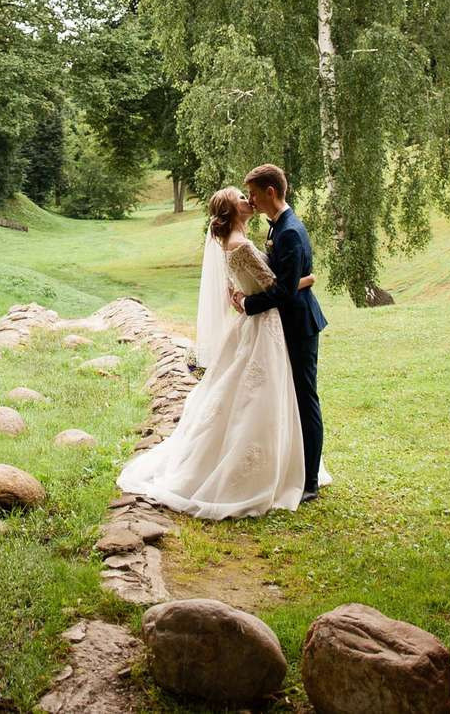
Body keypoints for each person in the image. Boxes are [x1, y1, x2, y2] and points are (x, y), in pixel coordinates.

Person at [115, 186, 329, 518]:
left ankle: (292, 468)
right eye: (241, 198)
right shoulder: (240, 244)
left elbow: (254, 283)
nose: (248, 200)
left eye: (249, 195)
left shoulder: (238, 241)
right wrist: (307, 279)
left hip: (262, 324)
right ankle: (272, 473)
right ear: (231, 211)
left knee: (258, 397)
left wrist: (244, 298)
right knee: (260, 399)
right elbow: (275, 286)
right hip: (262, 326)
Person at [227, 162, 329, 502]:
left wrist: (247, 304)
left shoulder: (288, 231)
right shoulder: (276, 227)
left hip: (300, 324)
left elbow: (284, 291)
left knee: (305, 398)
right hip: (282, 322)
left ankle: (310, 481)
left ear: (271, 192)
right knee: (290, 398)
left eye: (254, 195)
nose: (251, 202)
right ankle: (292, 466)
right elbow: (281, 278)